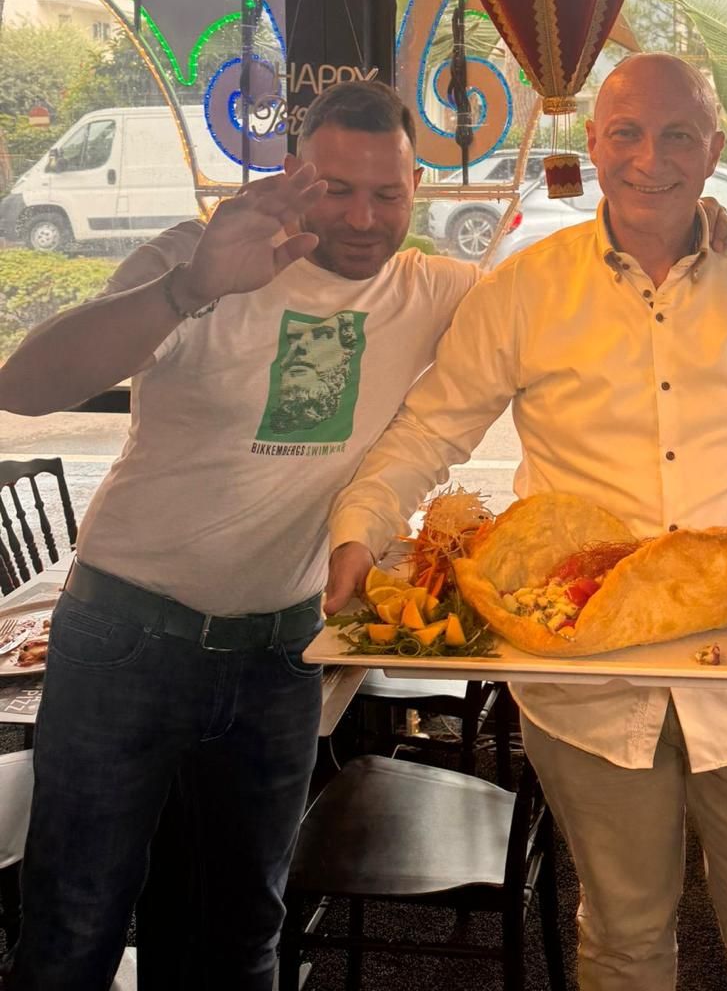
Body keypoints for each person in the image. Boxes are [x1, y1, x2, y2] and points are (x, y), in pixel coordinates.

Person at [327, 52, 727, 991]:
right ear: (592, 142)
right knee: (623, 943)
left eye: (677, 136)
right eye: (626, 132)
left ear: (713, 151)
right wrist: (359, 525)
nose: (649, 159)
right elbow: (431, 428)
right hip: (583, 683)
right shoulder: (524, 289)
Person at [0, 82, 476, 991]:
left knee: (242, 931)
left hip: (280, 655)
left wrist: (711, 231)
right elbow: (25, 385)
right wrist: (191, 287)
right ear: (294, 174)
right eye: (338, 189)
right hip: (126, 635)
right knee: (73, 926)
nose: (364, 218)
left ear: (417, 188)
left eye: (388, 193)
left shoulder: (433, 289)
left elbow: (573, 296)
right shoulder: (204, 253)